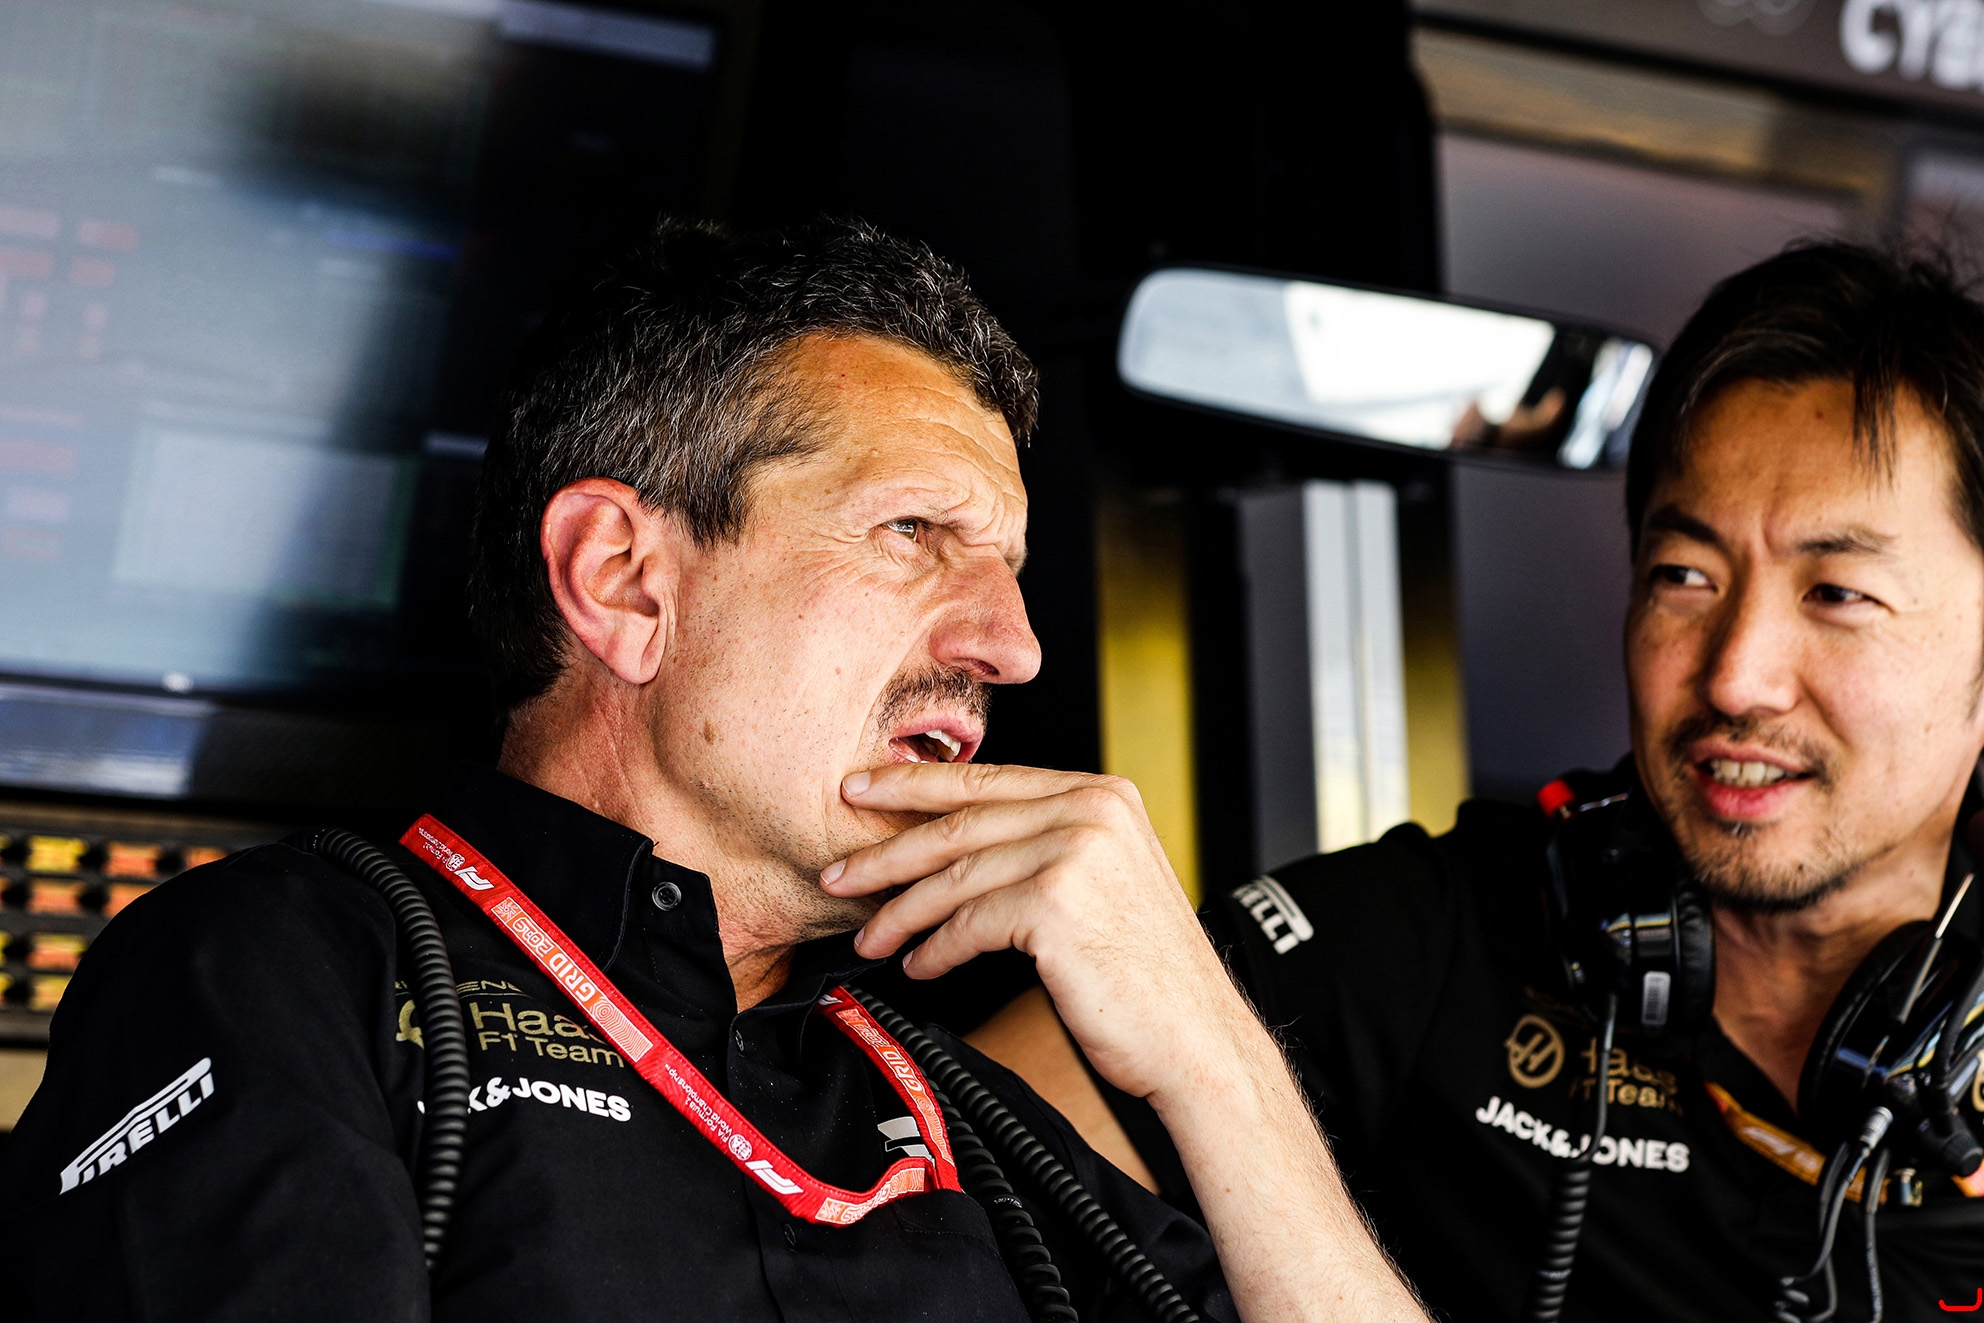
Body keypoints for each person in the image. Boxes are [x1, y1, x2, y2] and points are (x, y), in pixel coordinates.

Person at [0, 218, 1428, 1323]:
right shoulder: (288, 968)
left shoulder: (969, 1112)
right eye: (914, 532)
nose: (1011, 644)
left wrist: (1214, 1059)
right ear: (624, 580)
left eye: (1006, 568)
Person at [978, 243, 1984, 1321]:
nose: (1737, 675)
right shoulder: (1444, 931)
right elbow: (917, 1177)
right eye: (1684, 576)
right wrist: (1227, 1078)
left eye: (1838, 593)